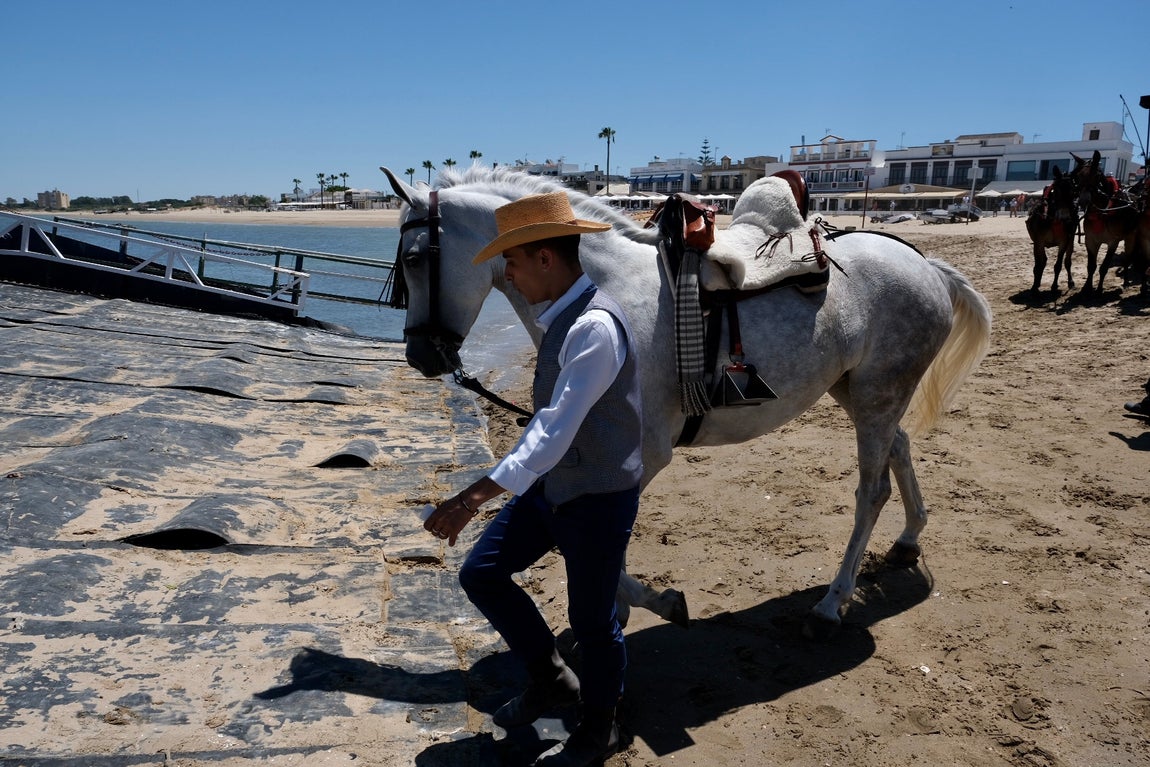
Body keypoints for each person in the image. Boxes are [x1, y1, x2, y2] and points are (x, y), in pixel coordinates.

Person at [422, 191, 643, 766]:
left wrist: (475, 495)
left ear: (545, 257)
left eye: (512, 264)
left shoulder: (593, 326)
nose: (510, 278)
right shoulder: (560, 320)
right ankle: (551, 680)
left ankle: (601, 728)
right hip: (555, 487)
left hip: (597, 494)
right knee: (483, 572)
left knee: (593, 622)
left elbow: (552, 431)